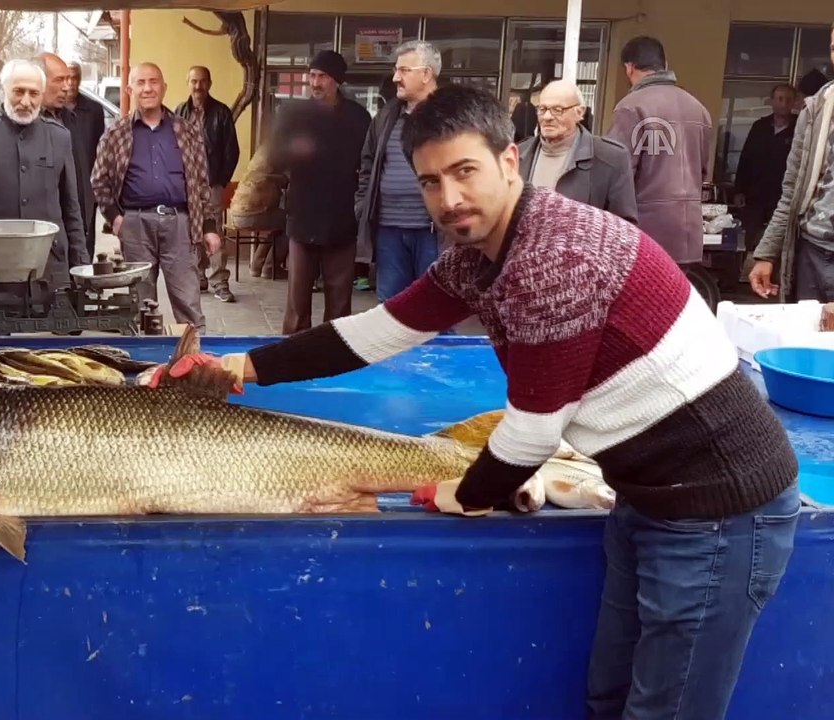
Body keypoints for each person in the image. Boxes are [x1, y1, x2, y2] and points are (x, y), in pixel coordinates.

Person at [154, 85, 801, 720]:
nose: (450, 198)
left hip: (720, 509)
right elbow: (376, 332)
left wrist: (465, 493)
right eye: (431, 182)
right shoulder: (481, 253)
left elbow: (534, 432)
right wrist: (244, 366)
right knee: (608, 696)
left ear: (509, 160)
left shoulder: (552, 258)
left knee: (665, 711)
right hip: (648, 496)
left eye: (465, 171)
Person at [91, 62, 221, 333]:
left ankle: (194, 355)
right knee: (140, 303)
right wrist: (116, 218)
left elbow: (201, 183)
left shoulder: (187, 131)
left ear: (164, 88)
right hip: (136, 225)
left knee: (188, 301)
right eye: (140, 82)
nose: (147, 88)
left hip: (180, 224)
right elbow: (99, 180)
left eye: (153, 82)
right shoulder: (115, 134)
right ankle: (145, 355)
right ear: (130, 90)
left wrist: (209, 227)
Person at [0, 58, 88, 295]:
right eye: (18, 92)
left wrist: (81, 266)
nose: (26, 101)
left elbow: (71, 209)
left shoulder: (59, 137)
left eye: (34, 93)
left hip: (50, 273)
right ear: (4, 90)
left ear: (42, 94)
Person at [267, 50, 370, 334]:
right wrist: (293, 152)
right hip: (303, 218)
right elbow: (273, 158)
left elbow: (368, 162)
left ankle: (333, 353)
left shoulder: (358, 117)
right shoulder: (294, 114)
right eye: (311, 75)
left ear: (337, 80)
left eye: (322, 76)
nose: (315, 82)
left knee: (340, 305)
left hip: (342, 220)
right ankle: (292, 353)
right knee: (297, 303)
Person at [606, 36, 712, 268]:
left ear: (629, 67)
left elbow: (616, 171)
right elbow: (703, 171)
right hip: (689, 235)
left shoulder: (631, 106)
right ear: (665, 64)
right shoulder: (699, 109)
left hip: (646, 233)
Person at [751, 24, 834, 312]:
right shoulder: (816, 109)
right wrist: (767, 253)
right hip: (811, 251)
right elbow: (792, 192)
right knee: (805, 336)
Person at [357, 40, 442, 303]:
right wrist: (362, 207)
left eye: (404, 70)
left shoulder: (450, 117)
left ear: (426, 74)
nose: (395, 78)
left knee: (436, 305)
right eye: (396, 70)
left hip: (434, 231)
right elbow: (367, 165)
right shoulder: (386, 117)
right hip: (389, 230)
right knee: (391, 308)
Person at [517, 79, 637, 224]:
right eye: (542, 109)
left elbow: (625, 228)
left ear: (579, 112)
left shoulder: (611, 159)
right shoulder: (517, 155)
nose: (547, 117)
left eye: (557, 110)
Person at [176, 65, 241, 303]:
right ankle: (199, 277)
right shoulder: (180, 112)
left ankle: (220, 282)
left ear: (209, 84)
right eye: (194, 81)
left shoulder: (221, 113)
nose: (198, 86)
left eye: (202, 81)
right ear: (188, 83)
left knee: (214, 231)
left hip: (212, 182)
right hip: (186, 184)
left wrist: (221, 181)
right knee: (191, 230)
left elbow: (232, 151)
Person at [40, 52, 108, 262]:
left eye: (71, 79)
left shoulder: (76, 118)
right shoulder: (29, 123)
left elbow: (92, 155)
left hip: (81, 199)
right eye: (60, 80)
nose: (67, 86)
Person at [734, 84, 798, 272]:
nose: (783, 104)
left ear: (794, 102)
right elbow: (745, 159)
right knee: (744, 237)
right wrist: (739, 190)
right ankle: (734, 278)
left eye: (788, 100)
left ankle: (776, 278)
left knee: (780, 242)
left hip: (783, 197)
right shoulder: (759, 126)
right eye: (779, 99)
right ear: (771, 101)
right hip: (755, 194)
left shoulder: (799, 129)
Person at [65, 60, 109, 255]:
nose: (70, 83)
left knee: (86, 235)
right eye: (66, 78)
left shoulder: (93, 110)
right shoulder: (52, 110)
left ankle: (85, 270)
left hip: (87, 183)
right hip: (61, 181)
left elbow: (100, 149)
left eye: (75, 78)